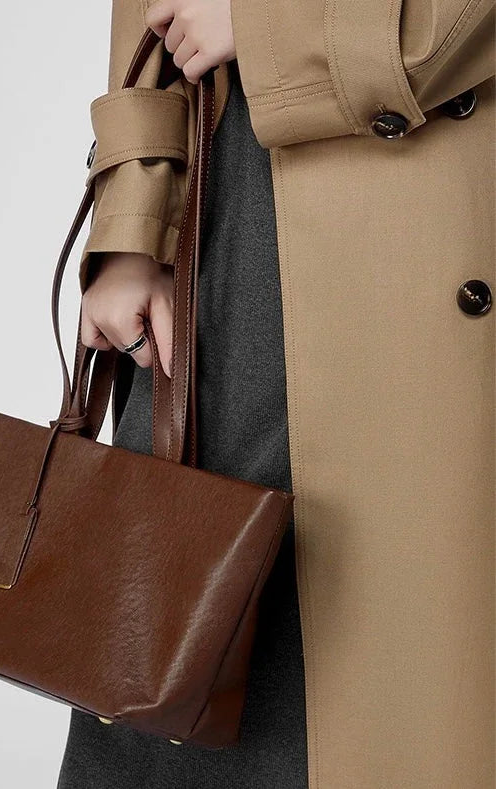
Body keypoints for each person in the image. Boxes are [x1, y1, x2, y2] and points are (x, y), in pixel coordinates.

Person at [57, 0, 495, 787]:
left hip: (412, 202)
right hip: (227, 212)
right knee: (177, 641)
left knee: (384, 651)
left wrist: (269, 28)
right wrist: (134, 218)